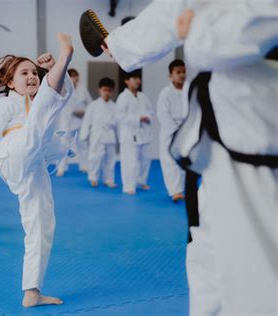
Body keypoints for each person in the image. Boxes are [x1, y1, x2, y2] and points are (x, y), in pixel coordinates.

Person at [102, 1, 277, 314]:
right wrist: (121, 43)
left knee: (253, 268)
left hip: (254, 125)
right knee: (205, 257)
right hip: (222, 132)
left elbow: (214, 29)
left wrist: (199, 32)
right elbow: (179, 10)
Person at [0, 33, 74, 308]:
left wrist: (55, 69)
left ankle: (32, 291)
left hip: (34, 164)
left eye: (35, 72)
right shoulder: (5, 105)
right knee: (43, 113)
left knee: (41, 224)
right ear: (10, 82)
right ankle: (66, 56)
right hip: (13, 152)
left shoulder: (39, 105)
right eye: (25, 73)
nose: (32, 76)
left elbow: (64, 95)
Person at [116, 71, 153, 195]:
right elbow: (120, 116)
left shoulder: (142, 96)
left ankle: (141, 181)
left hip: (143, 132)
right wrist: (138, 118)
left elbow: (151, 111)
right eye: (134, 78)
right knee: (129, 161)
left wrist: (147, 117)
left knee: (145, 159)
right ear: (127, 81)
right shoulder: (123, 97)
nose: (137, 80)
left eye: (139, 78)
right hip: (129, 134)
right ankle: (128, 186)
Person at [157, 59, 187, 202]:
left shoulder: (189, 89)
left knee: (186, 160)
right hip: (170, 131)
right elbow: (162, 114)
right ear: (171, 75)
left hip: (187, 130)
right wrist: (176, 129)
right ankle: (175, 191)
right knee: (170, 162)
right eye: (178, 72)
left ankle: (183, 188)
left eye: (183, 72)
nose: (181, 75)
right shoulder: (165, 93)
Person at [79, 77, 117, 187]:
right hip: (97, 134)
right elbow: (86, 122)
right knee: (95, 157)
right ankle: (93, 178)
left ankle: (109, 179)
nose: (107, 93)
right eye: (104, 90)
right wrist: (84, 135)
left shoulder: (115, 106)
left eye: (109, 90)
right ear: (99, 90)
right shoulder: (93, 105)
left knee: (110, 159)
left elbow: (118, 123)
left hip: (110, 135)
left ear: (112, 91)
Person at [56, 68, 92, 175]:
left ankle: (84, 166)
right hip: (66, 122)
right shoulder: (64, 89)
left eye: (76, 76)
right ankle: (61, 168)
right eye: (71, 76)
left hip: (79, 121)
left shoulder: (82, 90)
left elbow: (91, 105)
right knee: (64, 145)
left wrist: (83, 112)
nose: (74, 78)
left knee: (82, 144)